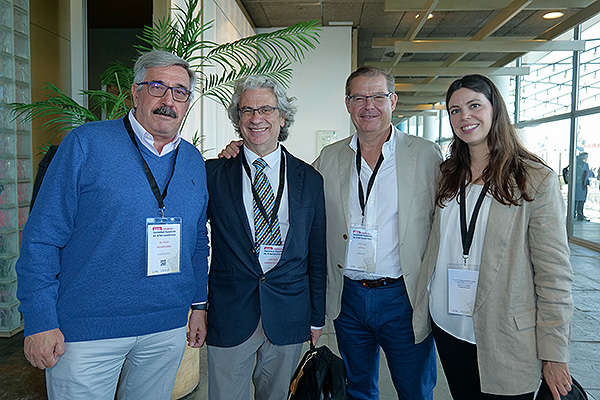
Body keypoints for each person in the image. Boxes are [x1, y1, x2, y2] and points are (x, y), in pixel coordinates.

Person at [219, 67, 442, 400]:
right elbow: (288, 187)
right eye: (359, 98)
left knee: (415, 389)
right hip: (349, 299)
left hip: (403, 298)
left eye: (378, 97)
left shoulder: (425, 154)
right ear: (348, 103)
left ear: (392, 101)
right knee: (357, 389)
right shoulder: (330, 158)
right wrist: (242, 150)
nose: (369, 106)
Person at [16, 50, 209, 399]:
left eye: (180, 91)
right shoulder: (86, 144)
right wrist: (41, 319)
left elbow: (196, 241)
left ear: (187, 102)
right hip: (87, 331)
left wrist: (198, 306)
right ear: (135, 93)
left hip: (166, 327)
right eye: (157, 87)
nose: (169, 100)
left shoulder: (194, 161)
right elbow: (41, 239)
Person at [413, 74, 574, 400]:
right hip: (448, 324)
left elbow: (554, 274)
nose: (464, 117)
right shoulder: (447, 174)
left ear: (495, 110)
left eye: (474, 105)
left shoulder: (533, 179)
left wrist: (555, 351)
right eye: (454, 110)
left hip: (505, 330)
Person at [190, 75, 326, 400]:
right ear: (238, 119)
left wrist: (317, 316)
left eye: (266, 109)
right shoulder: (213, 174)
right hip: (230, 310)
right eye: (247, 110)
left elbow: (317, 253)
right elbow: (195, 242)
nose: (256, 118)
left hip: (290, 313)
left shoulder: (309, 179)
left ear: (282, 117)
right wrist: (198, 306)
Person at [574, 152, 594, 221]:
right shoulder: (585, 165)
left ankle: (573, 214)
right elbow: (586, 174)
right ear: (585, 158)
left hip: (575, 185)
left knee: (574, 200)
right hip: (582, 185)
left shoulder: (575, 164)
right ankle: (580, 215)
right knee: (581, 201)